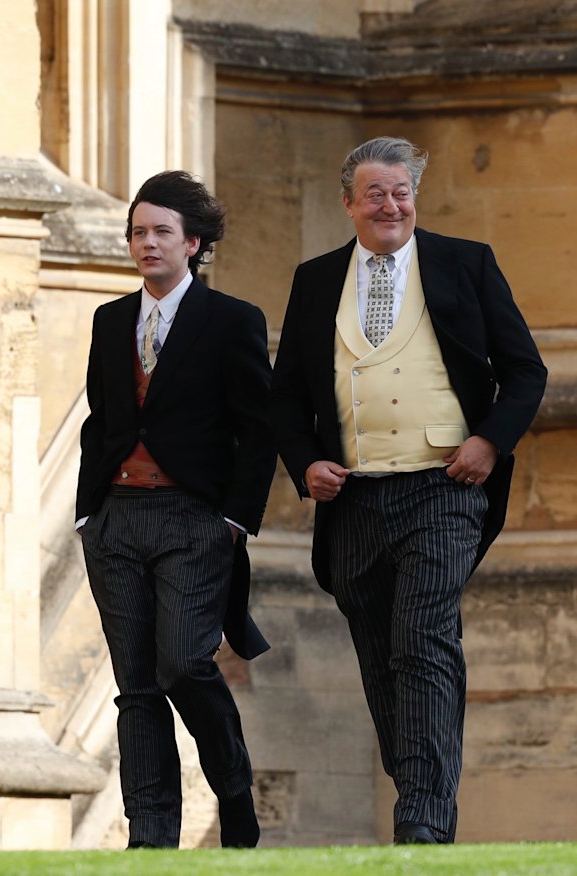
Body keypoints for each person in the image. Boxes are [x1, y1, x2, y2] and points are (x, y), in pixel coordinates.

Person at [270, 136, 547, 845]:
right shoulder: (315, 279)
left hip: (445, 487)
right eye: (376, 193)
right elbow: (287, 396)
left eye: (402, 192)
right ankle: (422, 786)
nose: (391, 205)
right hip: (354, 498)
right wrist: (306, 464)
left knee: (423, 640)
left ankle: (421, 817)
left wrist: (489, 440)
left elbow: (524, 372)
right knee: (380, 650)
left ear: (413, 198)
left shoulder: (466, 263)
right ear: (348, 202)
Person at [76, 170, 276, 849]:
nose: (147, 243)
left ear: (193, 243)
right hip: (115, 521)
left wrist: (235, 519)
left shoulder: (233, 321)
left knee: (185, 662)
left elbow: (260, 428)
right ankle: (151, 837)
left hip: (195, 520)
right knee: (135, 686)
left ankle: (234, 788)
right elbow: (100, 422)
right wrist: (86, 512)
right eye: (138, 231)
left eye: (162, 231)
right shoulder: (109, 322)